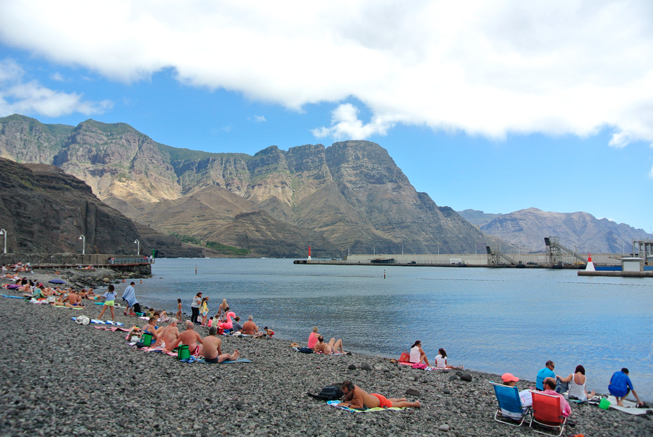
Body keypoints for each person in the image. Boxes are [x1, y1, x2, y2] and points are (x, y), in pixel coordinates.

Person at [338, 381, 420, 409]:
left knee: (396, 405)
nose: (344, 395)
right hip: (374, 397)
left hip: (379, 401)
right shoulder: (351, 389)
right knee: (388, 400)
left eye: (346, 393)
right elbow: (347, 401)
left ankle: (414, 404)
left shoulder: (356, 391)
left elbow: (360, 407)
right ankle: (400, 399)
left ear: (351, 390)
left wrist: (348, 405)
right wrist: (348, 401)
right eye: (343, 393)